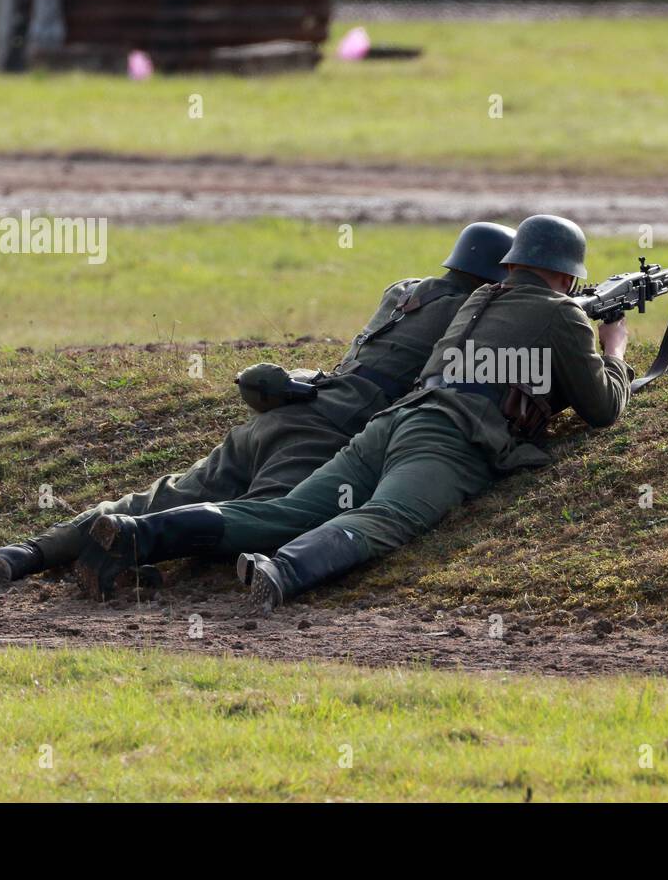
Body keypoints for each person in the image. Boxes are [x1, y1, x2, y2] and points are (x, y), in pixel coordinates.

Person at [76, 214, 631, 609]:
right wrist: (614, 350)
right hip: (449, 440)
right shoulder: (564, 317)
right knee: (386, 517)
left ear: (511, 265)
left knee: (289, 511)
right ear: (567, 276)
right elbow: (603, 409)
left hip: (394, 423)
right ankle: (284, 571)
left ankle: (136, 531)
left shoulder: (477, 300)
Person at [0, 222, 517, 595]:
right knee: (267, 519)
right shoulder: (473, 310)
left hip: (284, 413)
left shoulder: (403, 291)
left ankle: (24, 553)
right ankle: (129, 546)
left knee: (169, 491)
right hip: (328, 431)